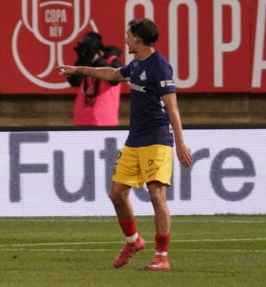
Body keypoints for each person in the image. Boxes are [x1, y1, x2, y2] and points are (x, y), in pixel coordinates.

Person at [57, 18, 193, 272]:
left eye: (128, 35)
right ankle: (133, 241)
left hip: (157, 139)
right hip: (135, 139)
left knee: (156, 193)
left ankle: (162, 256)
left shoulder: (160, 67)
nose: (125, 39)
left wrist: (181, 142)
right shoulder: (137, 63)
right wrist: (79, 70)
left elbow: (172, 107)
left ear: (139, 39)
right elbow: (113, 74)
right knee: (117, 194)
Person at [65, 31, 123, 127]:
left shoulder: (112, 60)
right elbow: (74, 82)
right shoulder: (83, 61)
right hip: (82, 118)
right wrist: (83, 62)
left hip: (104, 119)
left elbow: (115, 80)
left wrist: (97, 61)